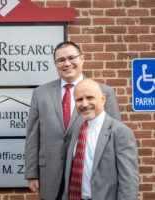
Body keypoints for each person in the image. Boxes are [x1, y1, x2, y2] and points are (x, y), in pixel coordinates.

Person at [24, 41, 121, 200]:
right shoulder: (40, 93)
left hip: (88, 176)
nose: (67, 63)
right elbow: (32, 137)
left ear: (82, 59)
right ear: (55, 64)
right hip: (50, 176)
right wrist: (31, 173)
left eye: (71, 58)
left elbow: (113, 138)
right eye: (61, 60)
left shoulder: (105, 92)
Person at [62, 79, 139, 200]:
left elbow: (129, 183)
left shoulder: (120, 132)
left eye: (90, 98)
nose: (85, 104)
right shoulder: (77, 131)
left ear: (103, 99)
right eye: (79, 100)